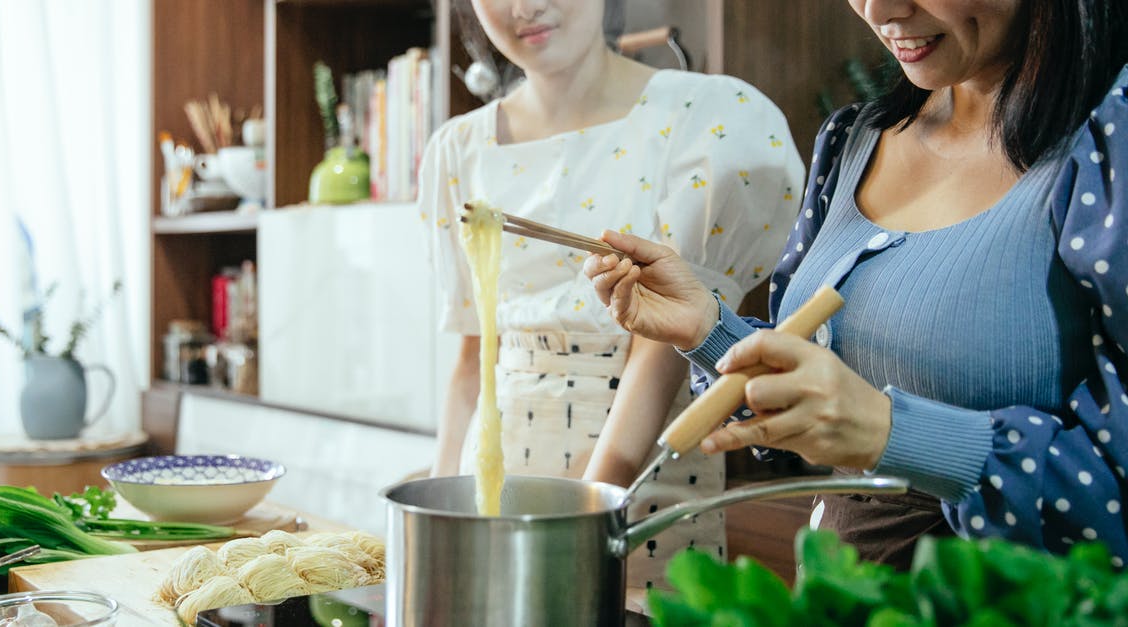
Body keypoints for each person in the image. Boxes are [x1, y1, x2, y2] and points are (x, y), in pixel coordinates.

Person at [585, 0, 1128, 569]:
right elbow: (820, 401)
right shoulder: (856, 139)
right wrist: (710, 331)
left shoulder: (1108, 144)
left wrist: (893, 434)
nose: (880, 10)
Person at [418, 0, 804, 587]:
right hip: (494, 492)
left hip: (638, 491)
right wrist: (435, 525)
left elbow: (661, 353)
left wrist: (582, 525)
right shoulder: (458, 149)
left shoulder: (705, 118)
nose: (525, 8)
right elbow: (473, 362)